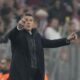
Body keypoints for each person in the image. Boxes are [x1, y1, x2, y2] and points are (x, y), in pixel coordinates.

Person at [1, 13, 77, 80]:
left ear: (34, 24)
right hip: (20, 75)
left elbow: (51, 43)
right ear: (21, 22)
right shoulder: (17, 34)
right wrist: (18, 27)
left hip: (35, 74)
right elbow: (11, 36)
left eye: (30, 20)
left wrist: (67, 39)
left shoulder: (37, 36)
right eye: (25, 20)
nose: (28, 22)